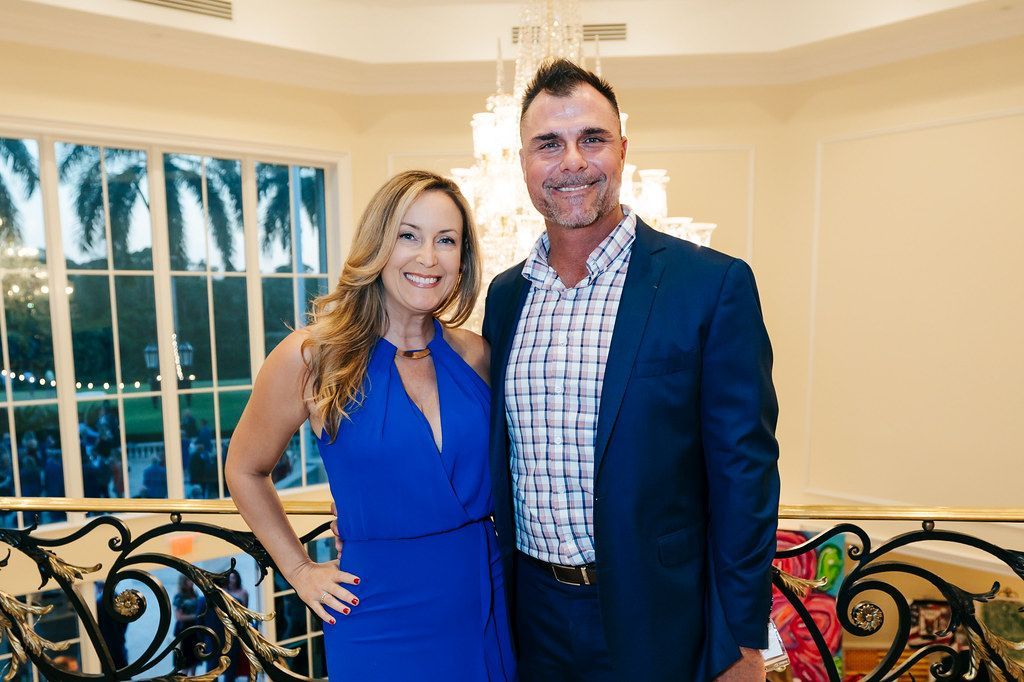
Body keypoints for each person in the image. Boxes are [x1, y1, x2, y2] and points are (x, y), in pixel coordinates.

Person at [480, 59, 781, 681]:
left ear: (623, 150)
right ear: (523, 165)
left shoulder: (711, 284)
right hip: (530, 611)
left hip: (661, 614)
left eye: (592, 138)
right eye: (548, 144)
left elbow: (744, 473)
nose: (572, 162)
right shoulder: (506, 296)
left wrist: (743, 641)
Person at [225, 170, 516, 680]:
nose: (428, 258)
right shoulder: (312, 357)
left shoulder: (477, 354)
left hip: (485, 598)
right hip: (376, 612)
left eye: (445, 240)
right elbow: (245, 469)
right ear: (377, 244)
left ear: (462, 260)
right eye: (409, 235)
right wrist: (298, 570)